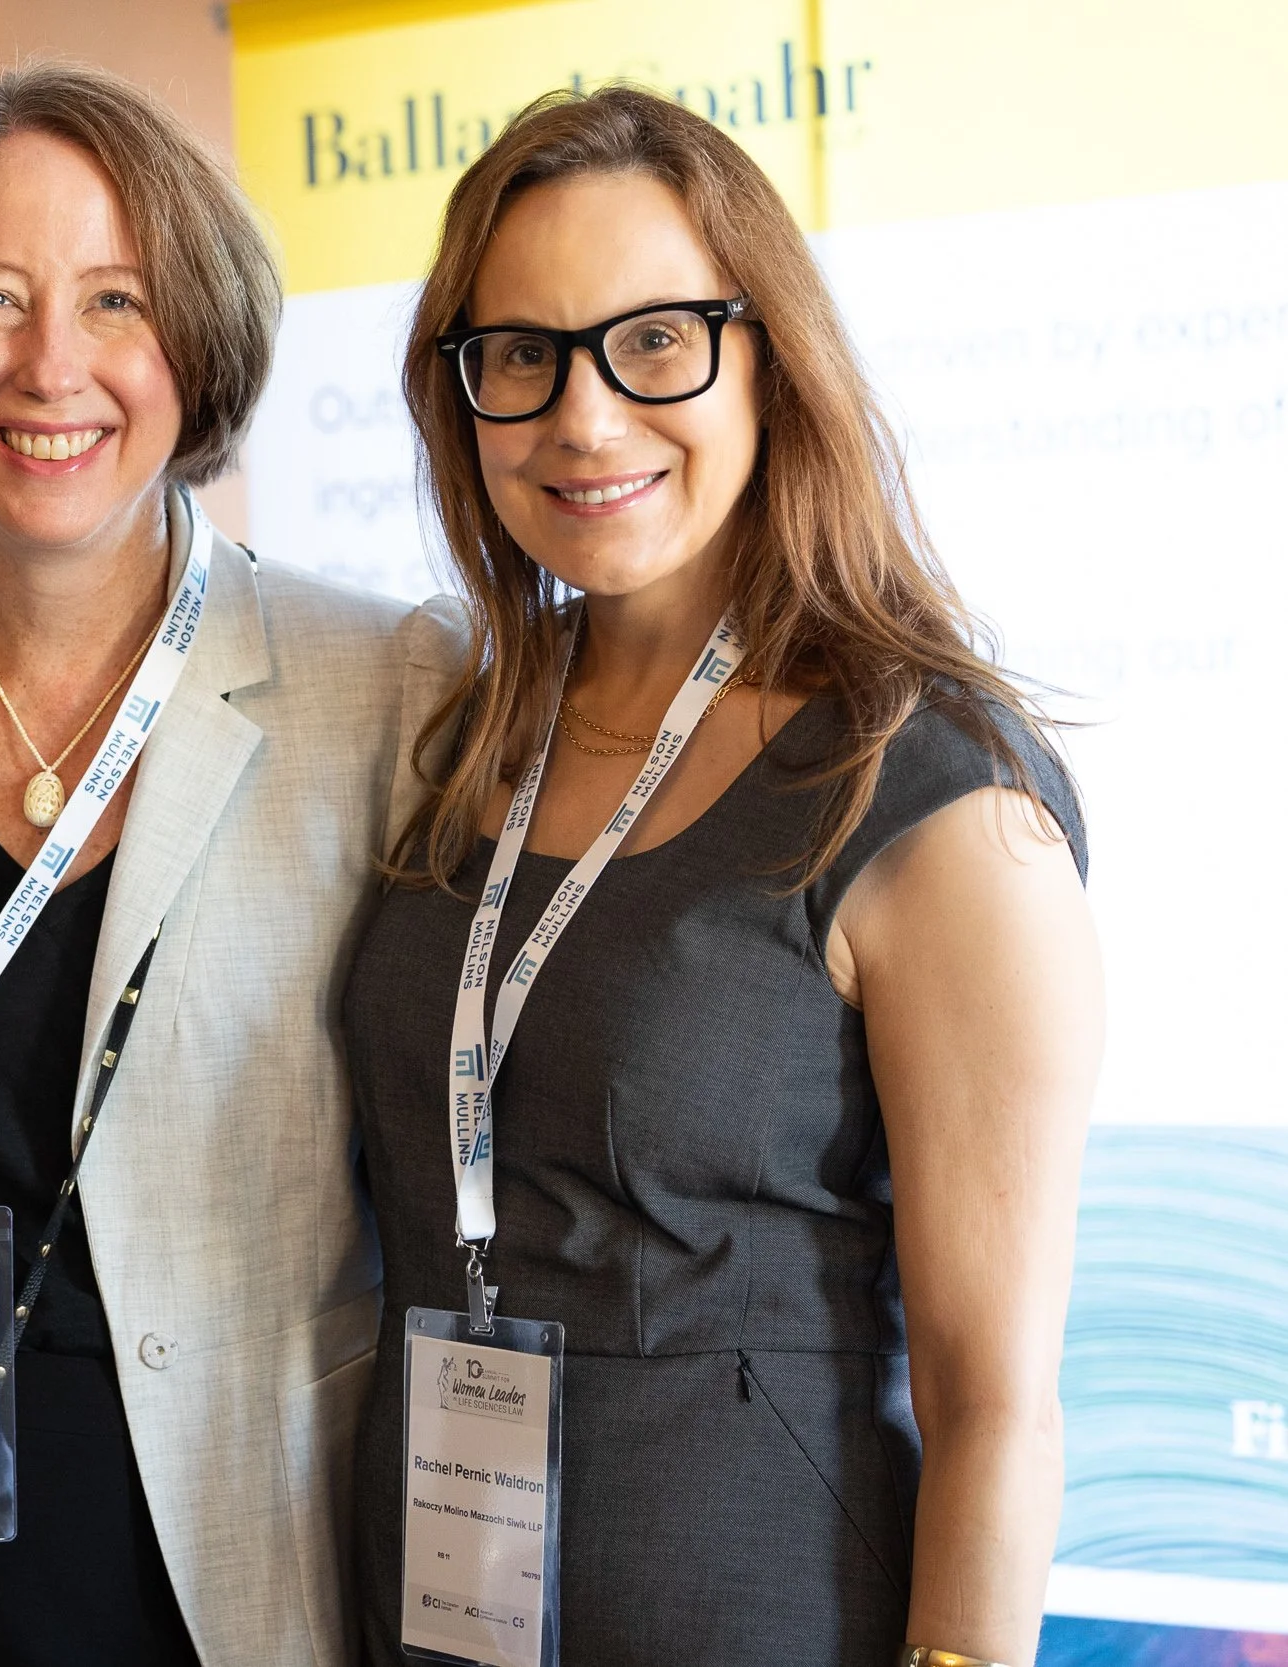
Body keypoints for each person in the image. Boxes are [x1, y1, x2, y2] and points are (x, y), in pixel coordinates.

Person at [345, 87, 1102, 1667]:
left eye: (657, 339)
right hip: (431, 1599)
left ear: (770, 356)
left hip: (754, 1609)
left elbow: (997, 1405)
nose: (586, 417)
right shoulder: (459, 736)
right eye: (523, 355)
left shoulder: (934, 796)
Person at [0, 63, 435, 1667]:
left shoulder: (386, 687)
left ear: (201, 336)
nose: (54, 365)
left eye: (118, 299)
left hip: (227, 1545)